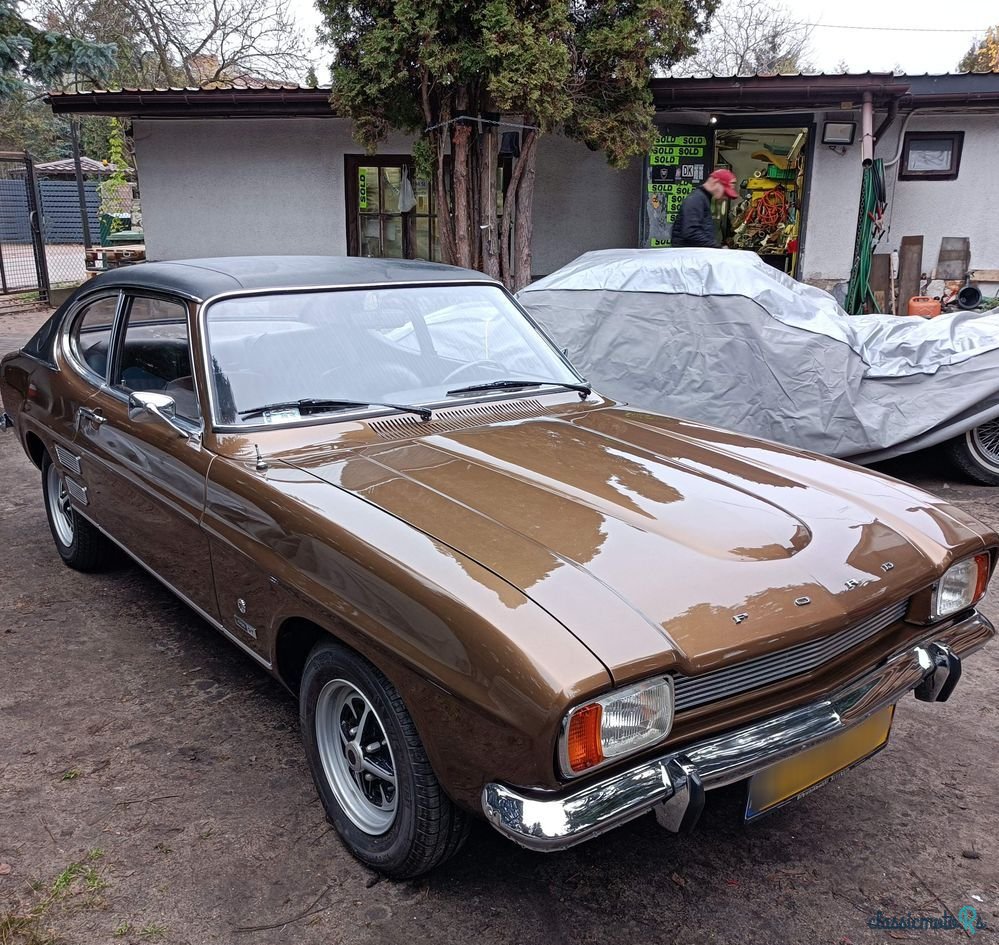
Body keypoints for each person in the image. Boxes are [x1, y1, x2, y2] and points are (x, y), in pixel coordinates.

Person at [671, 168, 739, 248]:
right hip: (688, 256)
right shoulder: (696, 199)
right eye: (724, 192)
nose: (725, 197)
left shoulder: (704, 198)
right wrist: (717, 247)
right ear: (715, 182)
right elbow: (690, 232)